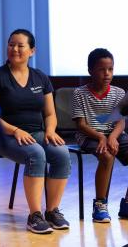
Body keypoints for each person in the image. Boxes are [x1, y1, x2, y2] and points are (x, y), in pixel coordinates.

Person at [0, 29, 71, 234]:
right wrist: (15, 131)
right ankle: (34, 215)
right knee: (36, 153)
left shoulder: (40, 78)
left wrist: (50, 130)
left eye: (20, 45)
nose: (14, 49)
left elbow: (50, 113)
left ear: (32, 51)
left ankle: (52, 211)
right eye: (11, 44)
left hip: (36, 133)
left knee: (61, 153)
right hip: (3, 136)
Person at [72, 48, 128, 223]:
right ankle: (100, 205)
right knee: (106, 155)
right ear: (90, 71)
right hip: (88, 135)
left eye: (110, 69)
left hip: (114, 134)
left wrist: (111, 137)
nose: (107, 73)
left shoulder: (118, 93)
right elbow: (80, 124)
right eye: (102, 69)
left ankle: (127, 203)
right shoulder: (79, 93)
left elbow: (121, 121)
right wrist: (101, 137)